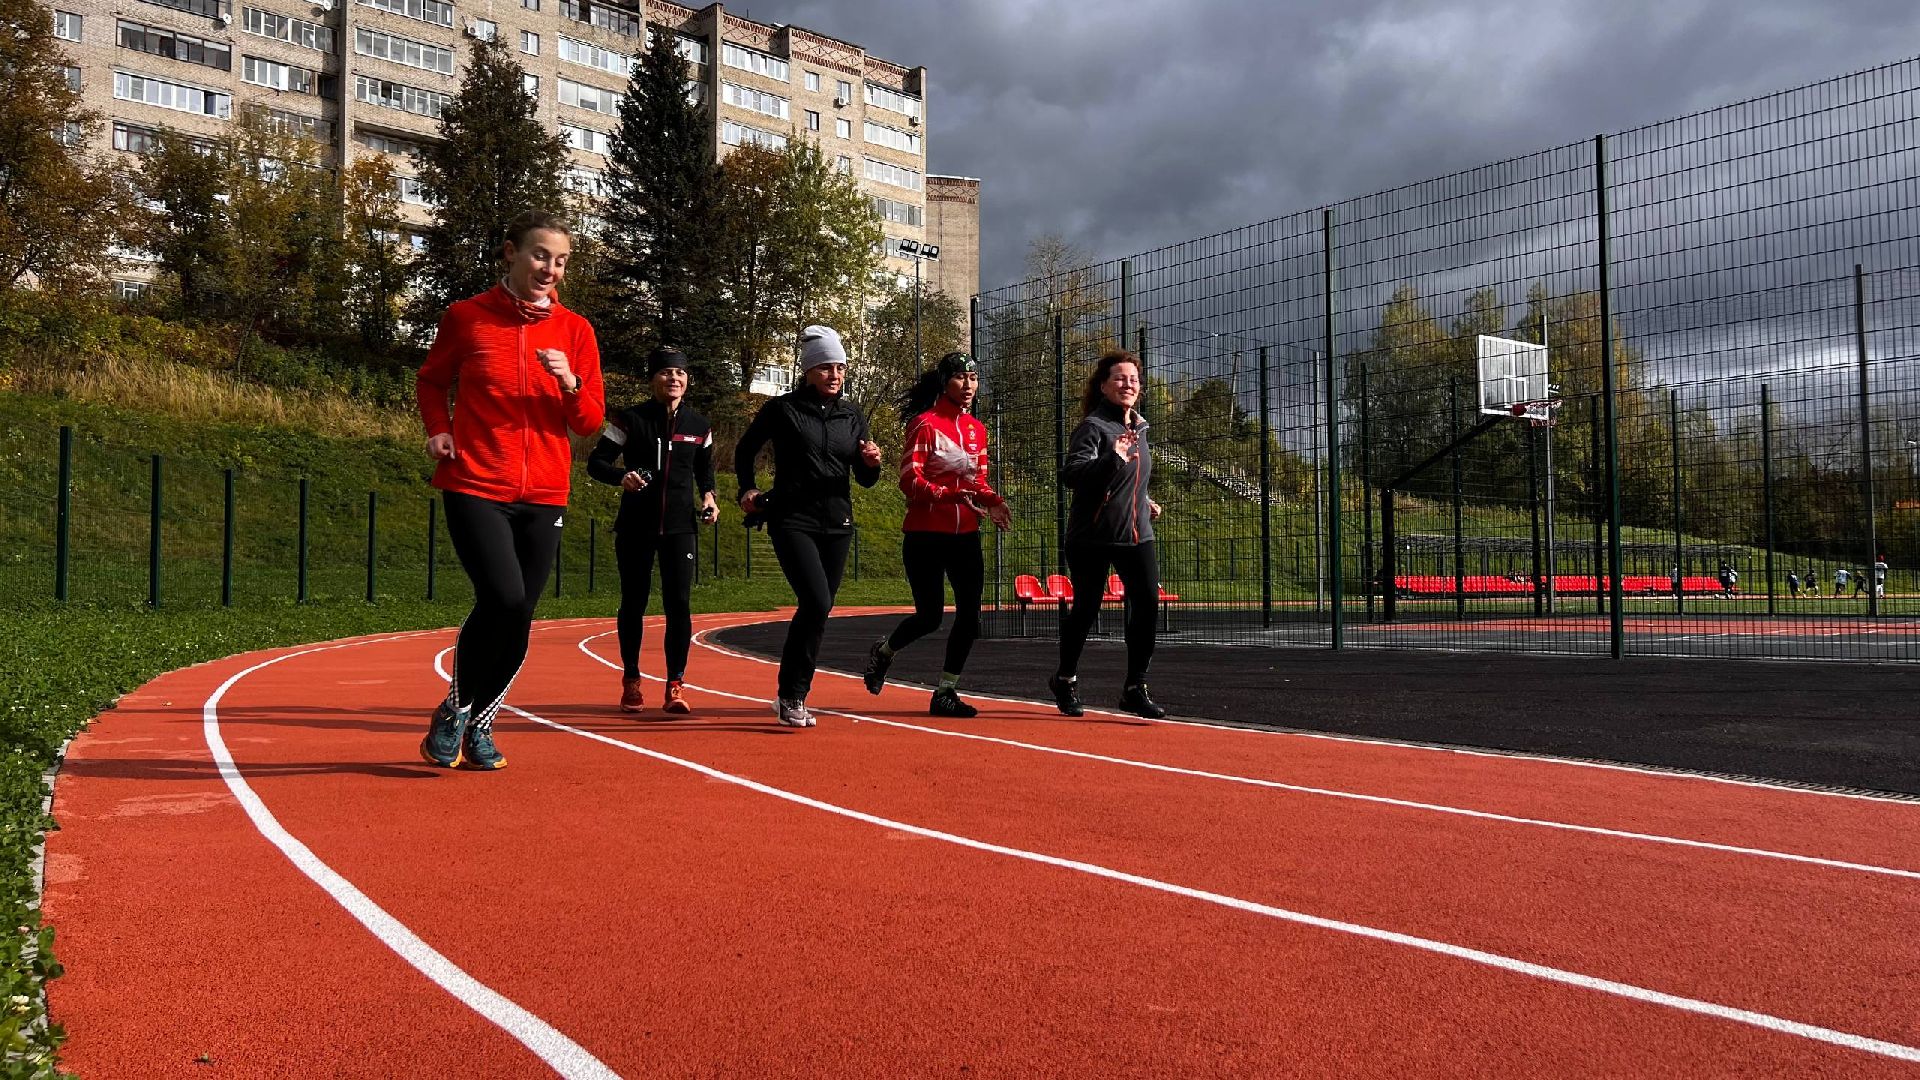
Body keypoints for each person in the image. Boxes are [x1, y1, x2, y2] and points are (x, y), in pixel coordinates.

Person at [415, 210, 604, 770]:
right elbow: (431, 380)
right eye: (541, 255)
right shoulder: (467, 318)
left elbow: (590, 421)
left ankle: (478, 721)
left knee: (518, 616)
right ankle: (455, 711)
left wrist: (568, 382)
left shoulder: (576, 331)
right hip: (475, 479)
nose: (551, 269)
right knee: (504, 598)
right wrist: (438, 428)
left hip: (545, 492)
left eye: (562, 261)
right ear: (510, 253)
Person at [735, 325, 883, 727]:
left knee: (819, 609)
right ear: (808, 371)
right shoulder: (783, 409)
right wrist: (747, 488)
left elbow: (866, 478)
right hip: (791, 518)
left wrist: (871, 463)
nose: (835, 375)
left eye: (840, 367)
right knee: (817, 601)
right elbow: (746, 449)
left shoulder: (852, 415)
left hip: (838, 521)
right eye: (826, 368)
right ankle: (792, 695)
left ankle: (791, 694)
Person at [862, 352, 1012, 717]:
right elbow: (909, 480)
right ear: (945, 382)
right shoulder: (925, 425)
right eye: (960, 378)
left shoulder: (978, 430)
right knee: (929, 616)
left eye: (973, 379)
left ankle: (946, 691)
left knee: (970, 617)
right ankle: (884, 651)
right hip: (926, 534)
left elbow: (976, 480)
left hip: (966, 535)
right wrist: (948, 495)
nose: (968, 386)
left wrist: (992, 500)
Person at [587, 345, 717, 716]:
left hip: (680, 528)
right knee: (634, 603)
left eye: (679, 374)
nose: (673, 379)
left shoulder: (699, 426)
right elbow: (596, 463)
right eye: (665, 373)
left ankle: (675, 684)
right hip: (636, 526)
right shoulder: (629, 419)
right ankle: (631, 680)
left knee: (679, 606)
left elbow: (704, 472)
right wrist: (621, 476)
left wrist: (710, 498)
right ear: (653, 379)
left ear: (686, 381)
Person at [1049, 349, 1166, 720]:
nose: (1127, 384)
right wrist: (1111, 458)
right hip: (1092, 536)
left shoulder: (1140, 428)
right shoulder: (1094, 428)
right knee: (1086, 608)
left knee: (1147, 603)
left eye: (1133, 379)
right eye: (1119, 378)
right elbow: (1072, 475)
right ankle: (1065, 679)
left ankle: (1135, 687)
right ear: (1103, 386)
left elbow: (1130, 479)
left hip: (1136, 534)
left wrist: (1144, 499)